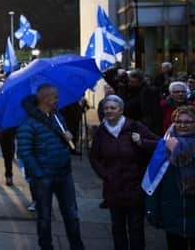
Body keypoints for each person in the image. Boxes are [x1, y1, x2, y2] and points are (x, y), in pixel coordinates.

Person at [17, 84, 84, 250]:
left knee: (71, 215)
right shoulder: (28, 123)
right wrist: (40, 175)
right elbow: (25, 152)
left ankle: (77, 246)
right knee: (44, 217)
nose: (58, 100)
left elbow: (62, 139)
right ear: (46, 99)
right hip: (44, 178)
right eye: (55, 97)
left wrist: (67, 137)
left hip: (64, 174)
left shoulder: (57, 117)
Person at [89, 95, 158, 250]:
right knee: (117, 228)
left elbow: (158, 144)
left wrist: (142, 142)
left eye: (113, 108)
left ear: (121, 110)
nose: (109, 111)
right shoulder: (101, 131)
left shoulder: (135, 126)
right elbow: (94, 156)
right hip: (113, 189)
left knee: (136, 228)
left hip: (135, 187)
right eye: (106, 108)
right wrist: (104, 174)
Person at [144, 105, 195, 249]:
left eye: (188, 122)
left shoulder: (172, 146)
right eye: (179, 122)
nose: (183, 125)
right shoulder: (164, 145)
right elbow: (153, 180)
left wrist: (177, 150)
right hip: (173, 211)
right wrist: (154, 210)